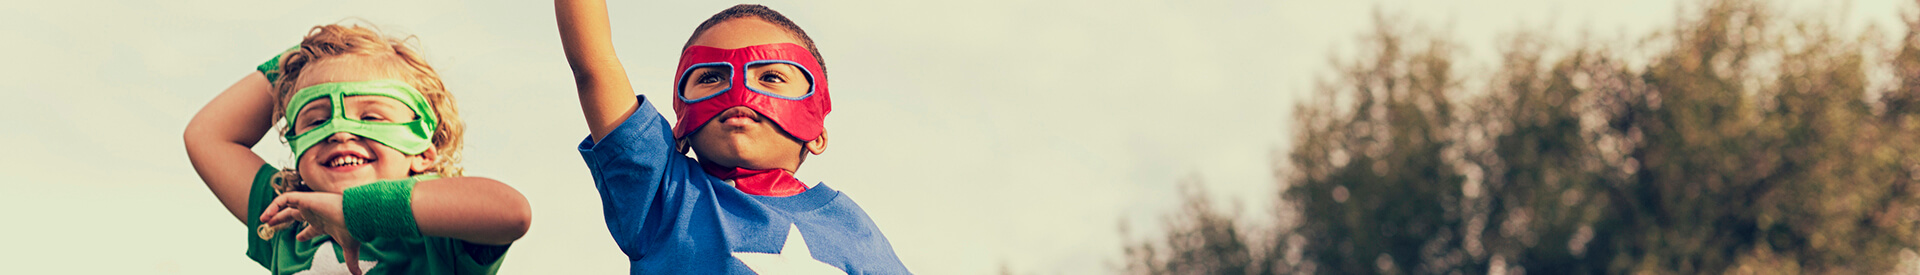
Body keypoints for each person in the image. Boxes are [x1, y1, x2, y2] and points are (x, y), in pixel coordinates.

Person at [555, 1, 911, 273]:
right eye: (710, 77)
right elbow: (595, 66)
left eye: (771, 77)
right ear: (680, 129)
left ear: (816, 133)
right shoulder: (663, 195)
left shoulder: (852, 228)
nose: (739, 93)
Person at [184, 23, 532, 275]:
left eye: (371, 117)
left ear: (424, 150)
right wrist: (300, 58)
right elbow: (207, 136)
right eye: (316, 121)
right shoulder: (288, 223)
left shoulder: (439, 231)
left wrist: (357, 212)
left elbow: (511, 212)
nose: (339, 132)